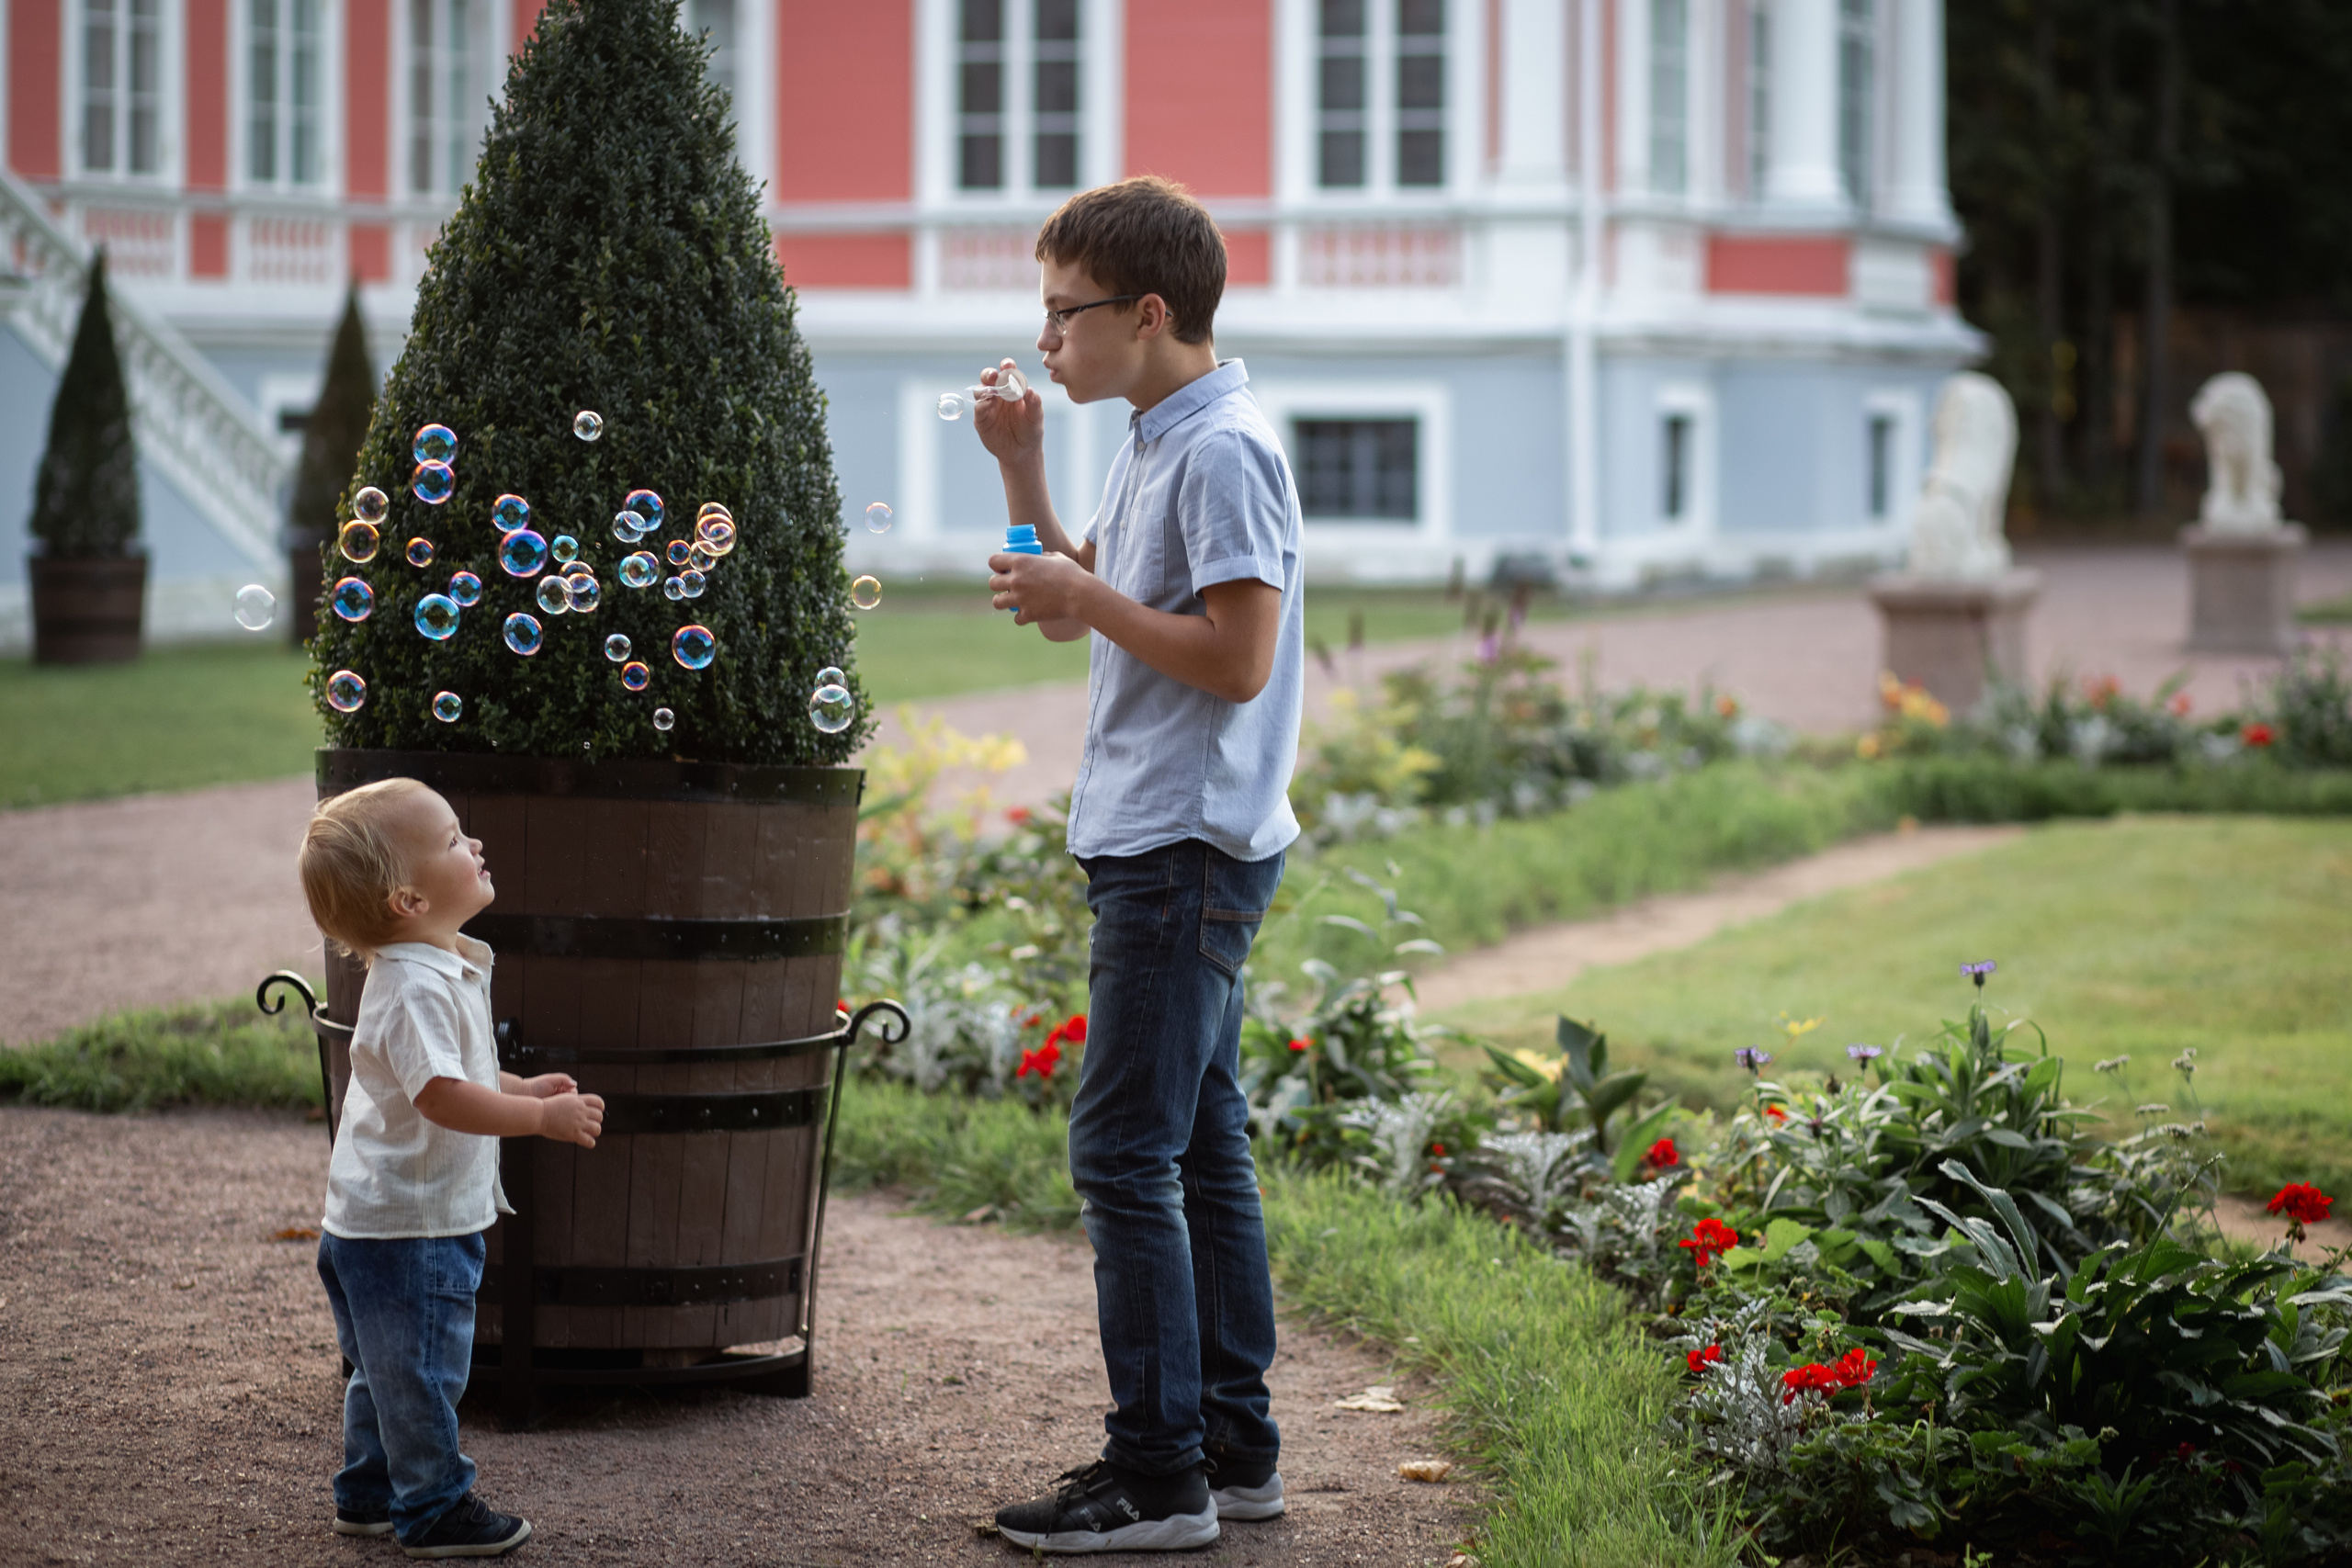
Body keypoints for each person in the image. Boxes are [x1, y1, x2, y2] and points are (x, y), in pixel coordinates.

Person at [974, 175, 1306, 1554]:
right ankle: (1231, 1450)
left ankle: (1160, 1472)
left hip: (1183, 846)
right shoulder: (1156, 434)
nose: (1047, 338)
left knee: (1122, 1149)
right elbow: (1083, 617)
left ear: (1149, 312)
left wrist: (1092, 595)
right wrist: (1019, 473)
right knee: (1201, 1144)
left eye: (1066, 314)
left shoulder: (1223, 448)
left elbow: (1236, 659)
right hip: (1163, 841)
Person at [298, 778, 605, 1559]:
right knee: (424, 1375)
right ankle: (433, 1506)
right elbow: (440, 1095)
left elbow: (458, 1074)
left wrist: (519, 1086)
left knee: (384, 1372)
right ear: (405, 898)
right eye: (452, 840)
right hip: (411, 1228)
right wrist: (539, 1118)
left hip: (377, 1221)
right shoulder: (414, 984)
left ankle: (368, 1494)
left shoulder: (433, 969)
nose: (474, 846)